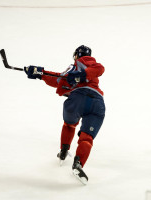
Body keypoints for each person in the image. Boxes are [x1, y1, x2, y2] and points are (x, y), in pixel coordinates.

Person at [24, 45, 105, 184]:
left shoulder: (82, 63)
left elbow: (58, 79)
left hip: (76, 99)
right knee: (87, 138)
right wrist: (40, 73)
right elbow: (59, 79)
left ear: (76, 55)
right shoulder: (75, 71)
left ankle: (64, 150)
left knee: (69, 125)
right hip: (97, 103)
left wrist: (41, 73)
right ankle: (78, 163)